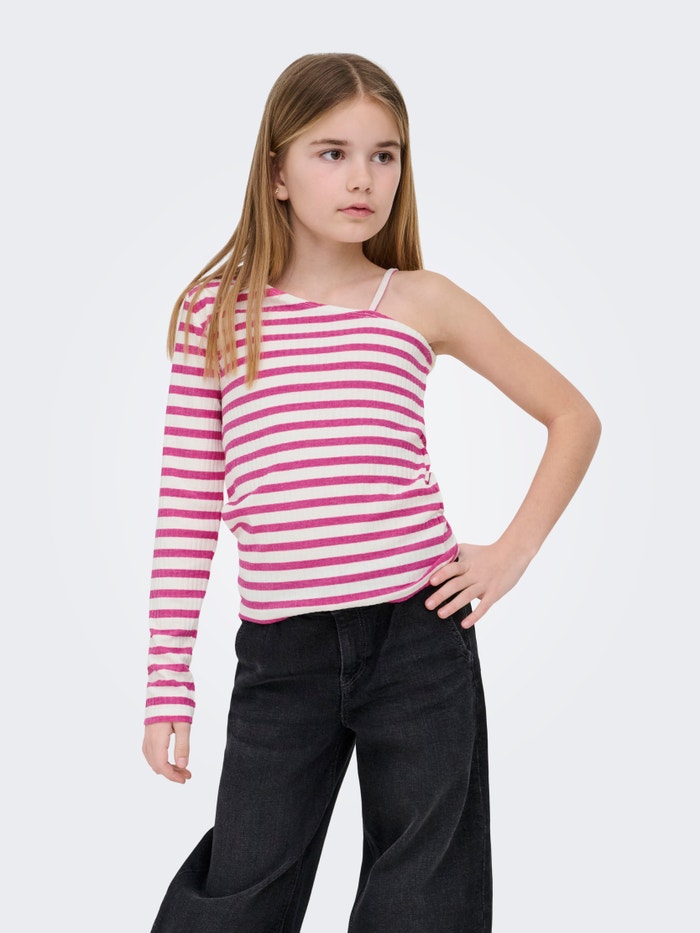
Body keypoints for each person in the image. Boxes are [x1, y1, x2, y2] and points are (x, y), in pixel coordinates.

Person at [142, 52, 601, 932]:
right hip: (282, 655)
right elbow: (187, 507)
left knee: (425, 897)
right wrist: (168, 682)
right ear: (277, 171)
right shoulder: (216, 312)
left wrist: (508, 556)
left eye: (384, 155)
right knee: (238, 894)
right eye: (333, 153)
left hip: (418, 637)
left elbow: (573, 416)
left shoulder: (420, 299)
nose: (363, 178)